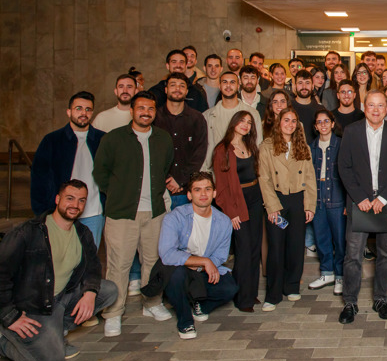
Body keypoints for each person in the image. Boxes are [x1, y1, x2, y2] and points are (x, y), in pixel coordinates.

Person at [0, 180, 117, 361]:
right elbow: (2, 274)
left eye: (81, 200)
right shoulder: (28, 232)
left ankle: (57, 331)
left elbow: (93, 267)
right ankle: (4, 339)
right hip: (33, 306)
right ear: (57, 199)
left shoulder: (82, 233)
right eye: (70, 198)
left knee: (109, 290)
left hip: (61, 299)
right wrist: (9, 316)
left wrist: (89, 293)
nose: (75, 205)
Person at [93, 91, 174, 337]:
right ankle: (113, 313)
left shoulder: (163, 139)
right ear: (132, 110)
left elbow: (165, 167)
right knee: (119, 264)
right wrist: (118, 193)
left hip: (155, 212)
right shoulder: (114, 139)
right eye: (141, 108)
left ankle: (151, 303)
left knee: (153, 261)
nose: (145, 113)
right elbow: (100, 172)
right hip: (122, 213)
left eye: (150, 109)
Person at [337, 91, 387, 324]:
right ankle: (350, 302)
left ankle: (380, 299)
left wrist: (384, 198)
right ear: (364, 107)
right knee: (353, 255)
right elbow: (344, 167)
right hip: (360, 202)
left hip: (386, 203)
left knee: (386, 255)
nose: (376, 110)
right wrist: (359, 197)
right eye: (371, 105)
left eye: (380, 105)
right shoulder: (352, 131)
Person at [154, 172, 238, 339]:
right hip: (180, 269)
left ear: (214, 193)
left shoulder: (223, 221)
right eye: (197, 190)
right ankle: (185, 321)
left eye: (207, 189)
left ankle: (201, 305)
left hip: (201, 271)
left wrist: (202, 265)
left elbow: (220, 256)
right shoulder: (174, 217)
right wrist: (202, 261)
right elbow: (167, 254)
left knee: (230, 288)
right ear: (189, 195)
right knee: (176, 275)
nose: (203, 194)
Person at [257, 110, 317, 311]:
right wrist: (272, 207)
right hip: (277, 200)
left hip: (297, 200)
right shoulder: (266, 146)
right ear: (279, 122)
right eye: (286, 120)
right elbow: (264, 178)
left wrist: (309, 205)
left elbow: (309, 177)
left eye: (294, 121)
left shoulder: (302, 146)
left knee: (296, 245)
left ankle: (292, 286)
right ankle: (273, 294)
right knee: (275, 247)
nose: (290, 124)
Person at [31, 92, 106, 246]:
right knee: (59, 256)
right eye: (78, 108)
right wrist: (42, 212)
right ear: (69, 111)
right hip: (61, 213)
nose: (83, 113)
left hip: (94, 213)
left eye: (88, 109)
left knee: (88, 258)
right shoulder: (52, 140)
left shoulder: (103, 140)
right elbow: (39, 178)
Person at [211, 112, 263, 312]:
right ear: (234, 123)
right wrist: (231, 213)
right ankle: (242, 298)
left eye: (249, 122)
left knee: (255, 248)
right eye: (242, 121)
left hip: (255, 199)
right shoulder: (222, 150)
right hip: (237, 202)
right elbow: (221, 188)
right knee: (243, 250)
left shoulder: (250, 146)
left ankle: (251, 292)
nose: (245, 125)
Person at [153, 73, 208, 210]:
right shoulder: (155, 118)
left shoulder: (197, 118)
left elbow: (199, 153)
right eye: (173, 85)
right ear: (166, 89)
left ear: (187, 91)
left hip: (186, 191)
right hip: (159, 190)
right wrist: (167, 179)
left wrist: (180, 180)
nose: (177, 89)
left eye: (182, 86)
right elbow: (151, 153)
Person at [307, 109, 346, 294]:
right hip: (317, 195)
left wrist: (348, 202)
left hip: (337, 195)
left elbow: (348, 174)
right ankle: (327, 273)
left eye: (326, 121)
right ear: (315, 126)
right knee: (321, 237)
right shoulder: (311, 147)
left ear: (332, 123)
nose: (323, 125)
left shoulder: (341, 144)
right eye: (319, 122)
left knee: (339, 239)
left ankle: (340, 276)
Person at [203, 71, 262, 168]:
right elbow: (204, 148)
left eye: (232, 82)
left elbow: (257, 144)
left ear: (238, 86)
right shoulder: (207, 116)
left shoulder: (252, 114)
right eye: (225, 82)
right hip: (215, 170)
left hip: (244, 171)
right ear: (219, 86)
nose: (228, 85)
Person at [292, 69, 326, 141]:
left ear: (312, 86)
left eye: (307, 83)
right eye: (300, 83)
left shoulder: (320, 110)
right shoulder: (288, 108)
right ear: (295, 86)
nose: (304, 87)